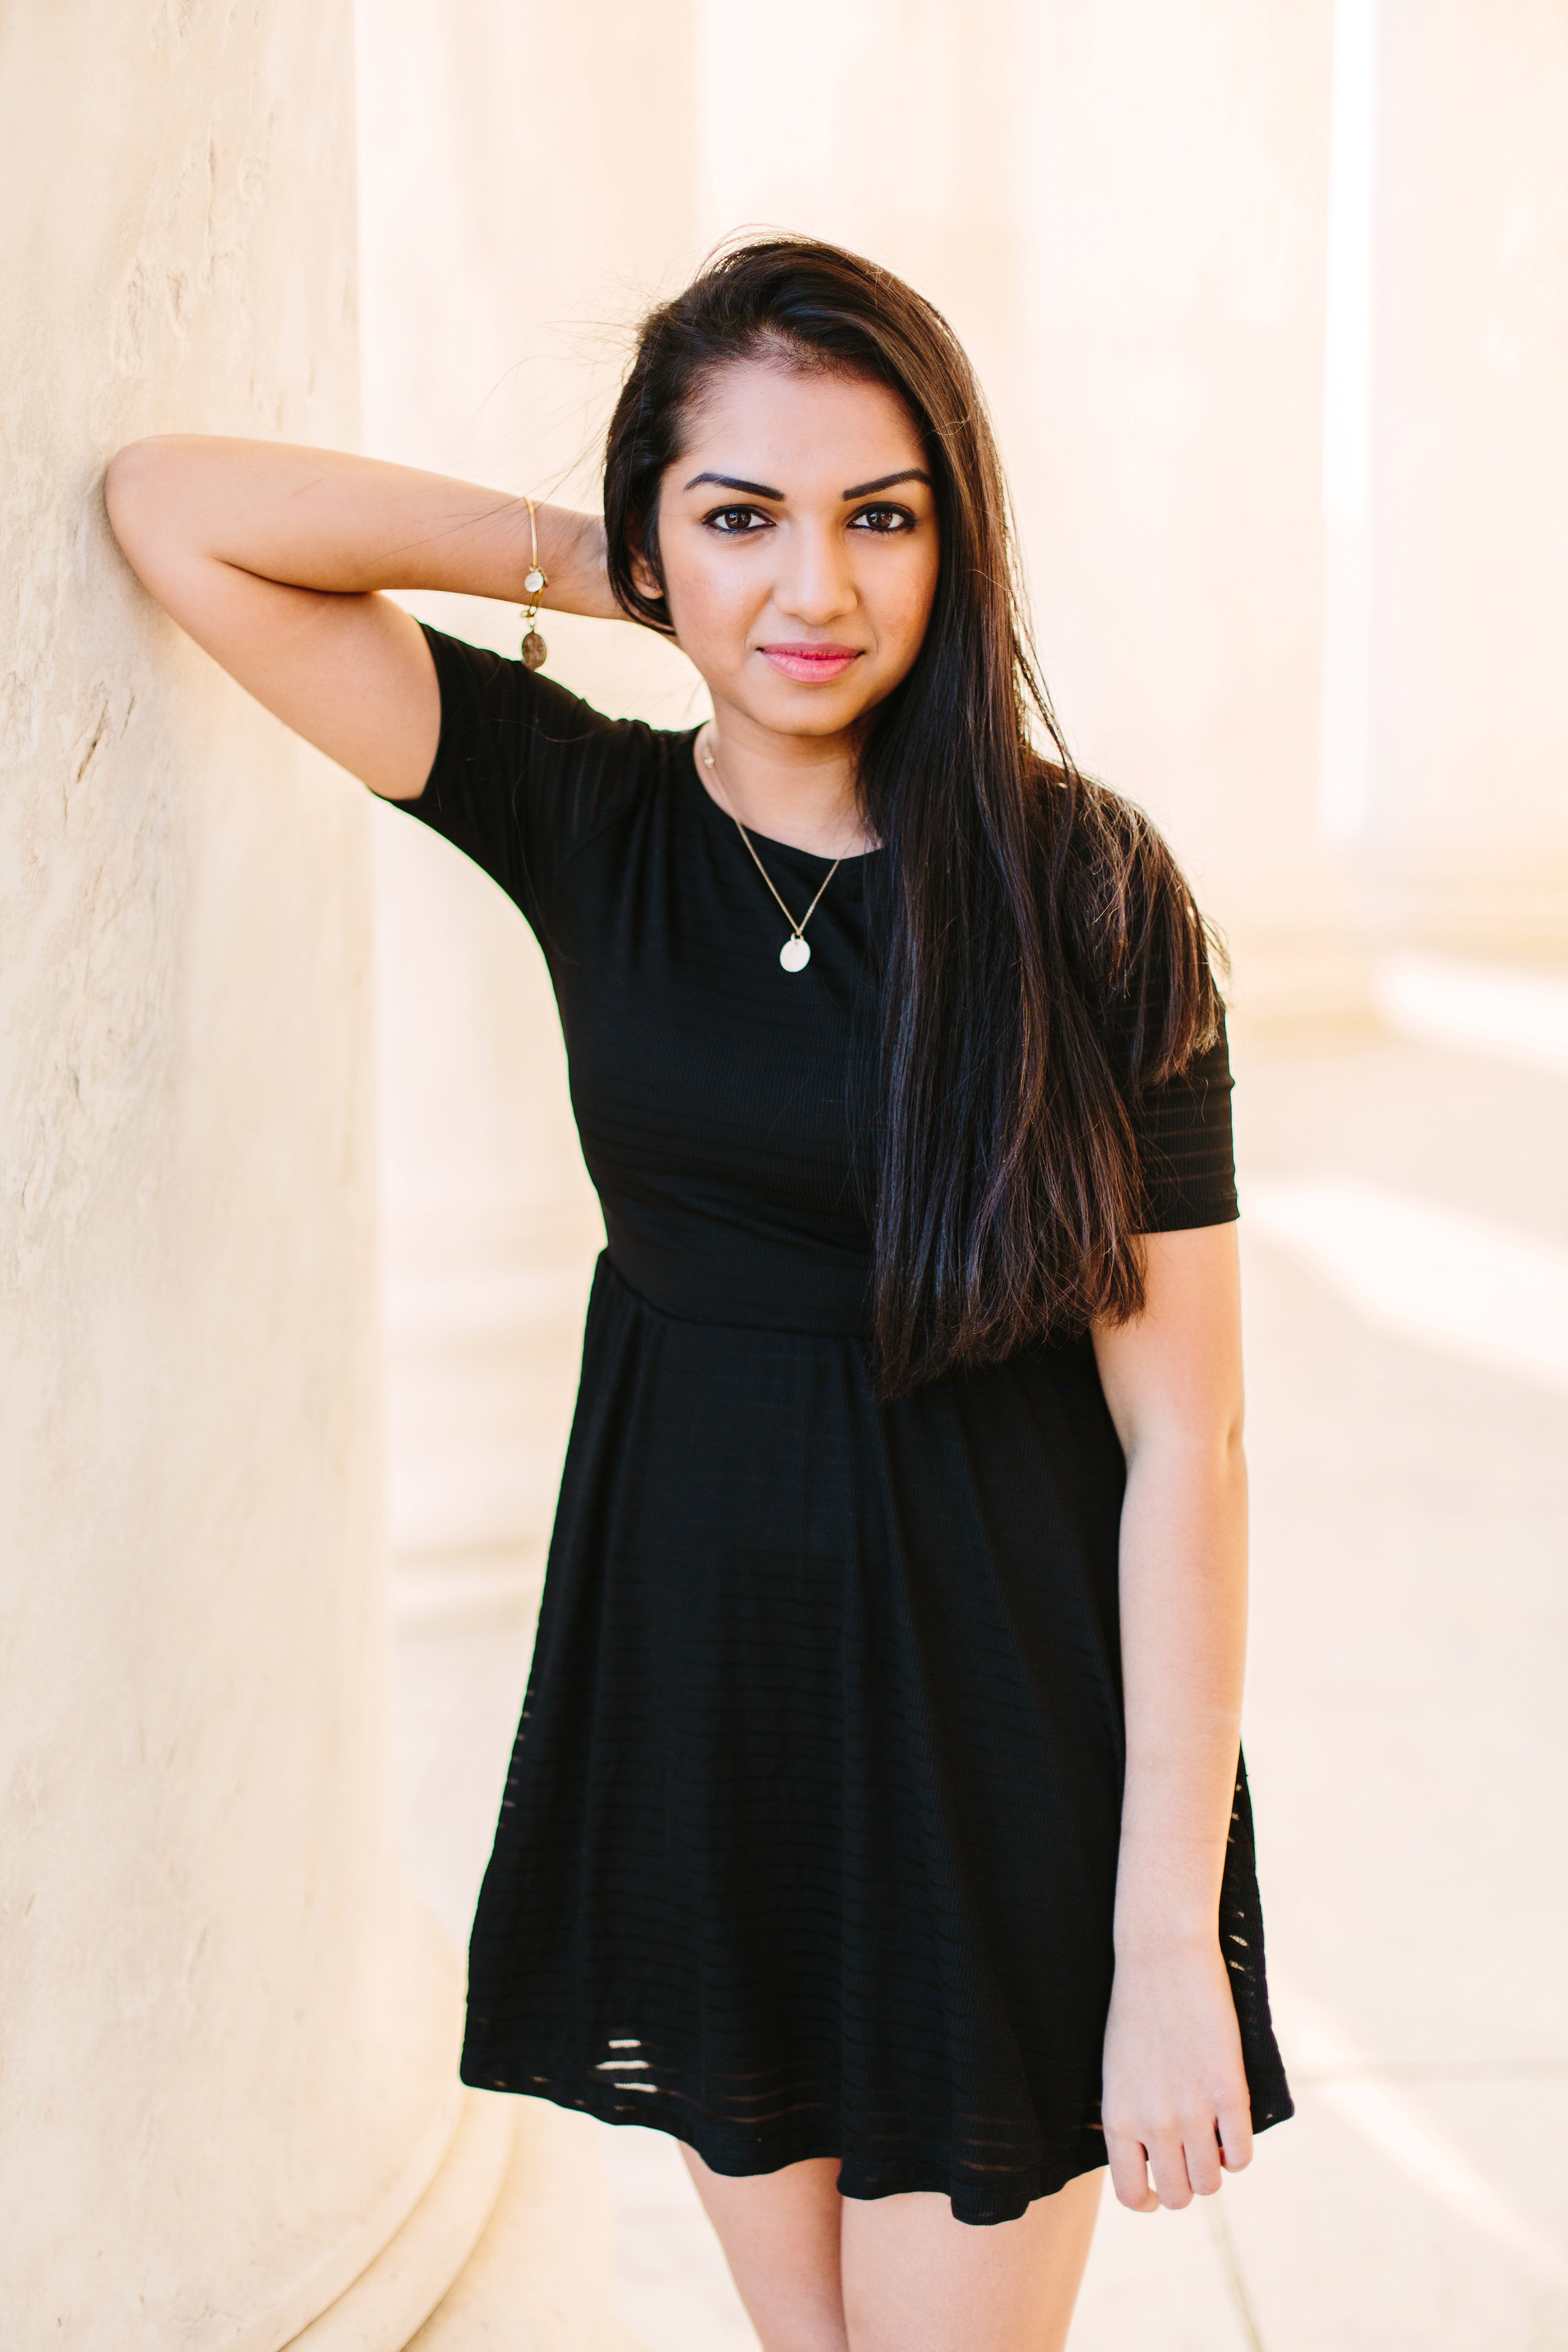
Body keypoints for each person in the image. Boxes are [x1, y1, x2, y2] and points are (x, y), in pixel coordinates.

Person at [105, 234, 1290, 2352]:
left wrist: (1159, 1937)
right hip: (708, 1716)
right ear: (657, 533)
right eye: (741, 515)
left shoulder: (1082, 888)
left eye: (877, 516)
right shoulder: (591, 816)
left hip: (996, 1737)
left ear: (956, 542)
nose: (812, 589)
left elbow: (1183, 1436)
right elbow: (176, 510)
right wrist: (607, 551)